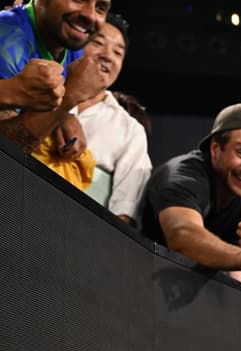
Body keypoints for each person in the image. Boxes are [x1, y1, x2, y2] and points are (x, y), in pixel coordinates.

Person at [140, 102, 241, 294]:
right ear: (216, 149)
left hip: (192, 302)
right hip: (141, 287)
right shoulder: (183, 176)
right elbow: (182, 234)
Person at [0, 0, 110, 155]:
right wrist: (68, 99)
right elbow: (5, 159)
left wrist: (65, 116)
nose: (91, 16)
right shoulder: (7, 38)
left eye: (100, 8)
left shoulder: (68, 42)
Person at [75, 12, 151, 226]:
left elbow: (124, 212)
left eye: (118, 53)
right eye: (98, 43)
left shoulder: (130, 131)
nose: (108, 56)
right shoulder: (44, 94)